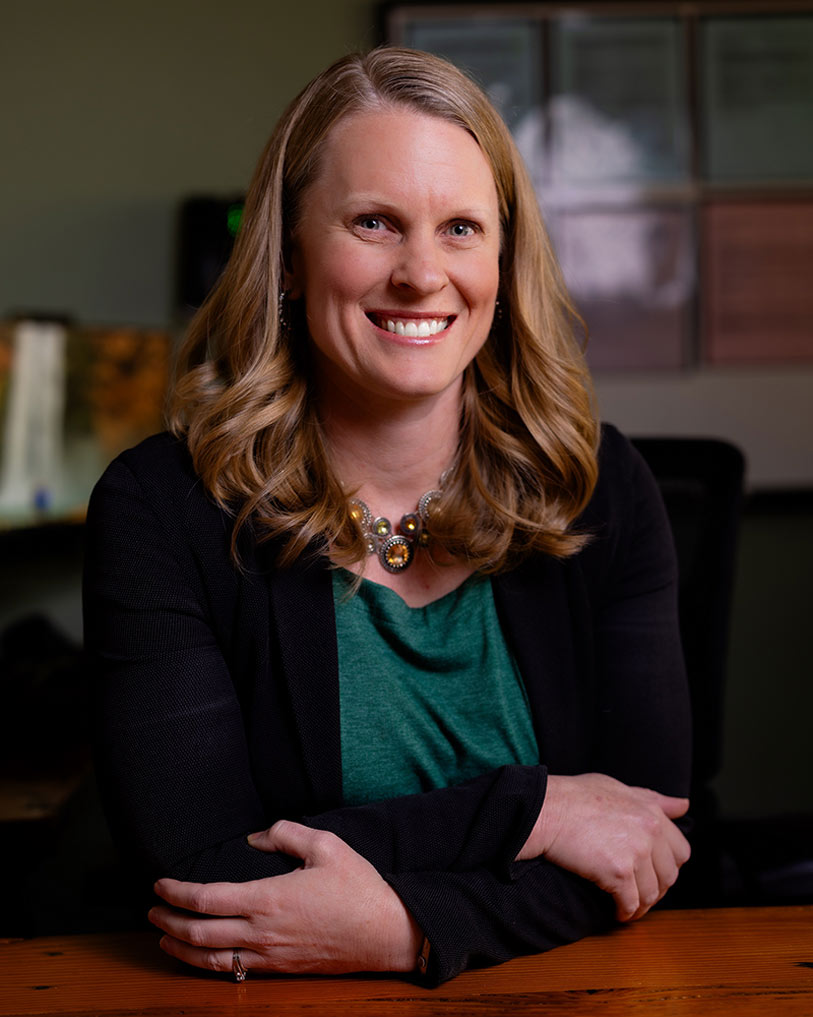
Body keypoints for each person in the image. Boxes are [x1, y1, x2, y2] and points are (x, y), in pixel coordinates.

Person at [83, 47, 691, 987]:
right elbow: (204, 876)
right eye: (373, 223)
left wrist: (411, 930)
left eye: (459, 228)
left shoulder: (601, 487)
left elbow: (652, 844)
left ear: (502, 259)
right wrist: (534, 813)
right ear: (286, 255)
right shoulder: (162, 509)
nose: (421, 273)